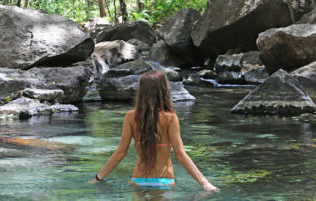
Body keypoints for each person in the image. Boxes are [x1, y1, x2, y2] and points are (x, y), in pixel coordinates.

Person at [88, 70, 219, 192]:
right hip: (164, 181)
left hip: (138, 180)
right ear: (164, 90)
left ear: (141, 92)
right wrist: (205, 183)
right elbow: (180, 154)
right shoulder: (170, 118)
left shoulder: (130, 117)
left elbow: (120, 152)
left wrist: (98, 178)